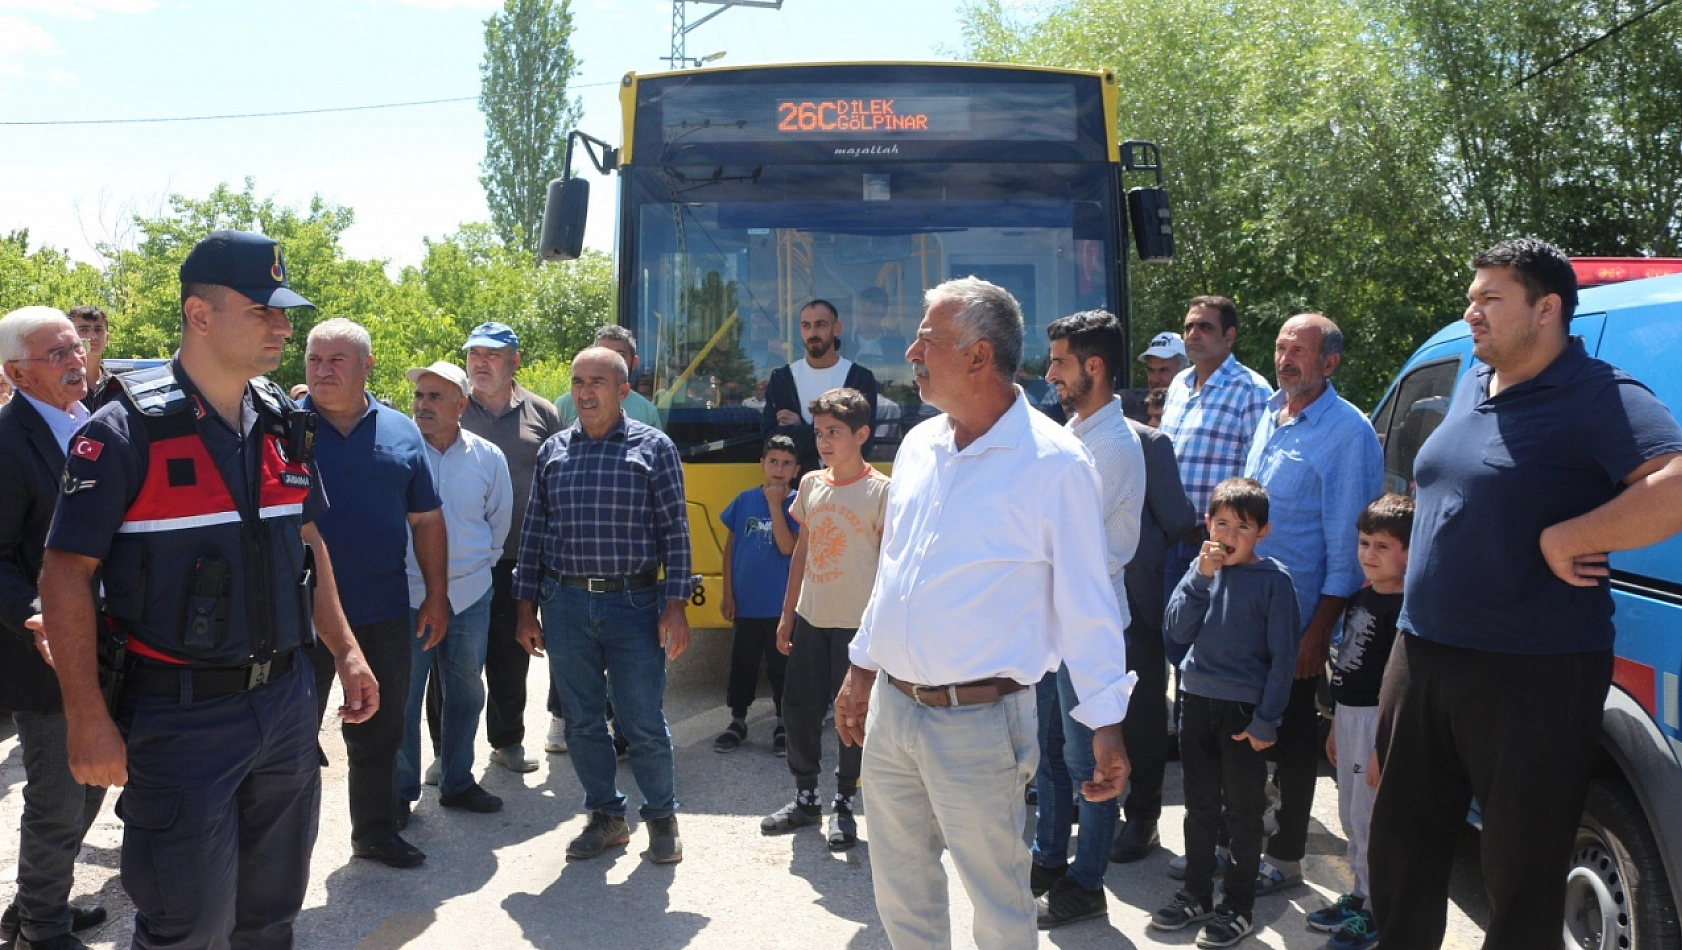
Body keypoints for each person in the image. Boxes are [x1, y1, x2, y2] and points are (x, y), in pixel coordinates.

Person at [38, 230, 378, 950]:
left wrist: (345, 650)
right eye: (263, 311)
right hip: (181, 716)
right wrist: (86, 717)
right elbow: (64, 573)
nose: (283, 326)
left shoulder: (285, 426)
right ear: (200, 314)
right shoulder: (122, 433)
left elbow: (308, 544)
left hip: (286, 706)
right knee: (186, 927)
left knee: (271, 916)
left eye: (284, 312)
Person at [1370, 238, 1682, 950]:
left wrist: (1569, 536)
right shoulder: (1478, 387)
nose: (1471, 312)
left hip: (1532, 671)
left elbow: (1676, 483)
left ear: (1546, 309)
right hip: (1425, 654)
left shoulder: (1599, 392)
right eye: (1471, 298)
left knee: (1520, 872)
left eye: (1490, 299)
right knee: (1401, 855)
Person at [832, 277, 1135, 950]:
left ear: (978, 357)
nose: (911, 350)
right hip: (893, 712)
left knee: (999, 904)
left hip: (980, 723)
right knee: (902, 895)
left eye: (928, 340)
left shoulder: (1054, 463)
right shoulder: (919, 446)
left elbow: (1087, 604)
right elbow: (895, 574)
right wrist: (860, 668)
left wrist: (1106, 724)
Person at [514, 345, 695, 864]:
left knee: (641, 719)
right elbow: (534, 533)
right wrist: (525, 607)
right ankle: (606, 816)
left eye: (597, 381)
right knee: (582, 721)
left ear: (623, 391)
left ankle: (661, 817)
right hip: (565, 602)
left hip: (635, 604)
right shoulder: (554, 451)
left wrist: (675, 603)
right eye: (577, 381)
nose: (585, 391)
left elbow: (674, 532)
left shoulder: (654, 448)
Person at [1243, 313, 1382, 897]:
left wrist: (1317, 630)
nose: (1285, 358)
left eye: (1298, 350)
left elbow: (1344, 546)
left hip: (1300, 618)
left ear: (1330, 363)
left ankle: (1288, 856)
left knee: (1297, 740)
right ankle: (1245, 839)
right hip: (1251, 609)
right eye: (1280, 347)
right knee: (1253, 733)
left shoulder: (1347, 433)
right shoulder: (1272, 415)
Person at [302, 317, 449, 869]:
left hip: (384, 608)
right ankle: (277, 849)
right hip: (299, 613)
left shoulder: (401, 431)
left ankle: (375, 831)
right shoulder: (283, 428)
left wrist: (436, 595)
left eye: (337, 360)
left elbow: (428, 520)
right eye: (315, 359)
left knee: (380, 730)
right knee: (289, 739)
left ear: (367, 366)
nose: (323, 370)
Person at [1030, 311, 1146, 927]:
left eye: (1059, 362)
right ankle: (1050, 858)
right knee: (1051, 754)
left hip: (1090, 631)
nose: (1049, 373)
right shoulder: (1076, 430)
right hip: (1058, 624)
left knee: (1090, 764)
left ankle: (1087, 881)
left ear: (1093, 368)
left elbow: (1075, 544)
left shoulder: (1112, 445)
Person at [1151, 477, 1300, 949]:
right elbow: (1176, 629)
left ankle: (1238, 904)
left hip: (1242, 713)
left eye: (1243, 526)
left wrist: (1266, 721)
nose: (1230, 535)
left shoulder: (1274, 581)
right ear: (1207, 526)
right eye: (1221, 523)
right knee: (1199, 808)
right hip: (1196, 701)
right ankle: (1197, 893)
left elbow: (1283, 659)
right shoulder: (1201, 572)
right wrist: (1199, 577)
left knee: (1243, 812)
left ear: (1263, 532)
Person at [0, 307, 107, 950]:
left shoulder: (87, 424)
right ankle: (42, 927)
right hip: (40, 651)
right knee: (59, 794)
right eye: (57, 354)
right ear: (17, 372)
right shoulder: (8, 444)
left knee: (93, 777)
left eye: (76, 348)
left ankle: (34, 904)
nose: (75, 360)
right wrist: (32, 613)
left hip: (105, 636)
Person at [760, 388, 889, 851]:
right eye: (818, 433)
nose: (824, 442)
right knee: (797, 710)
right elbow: (802, 554)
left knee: (850, 716)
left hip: (857, 628)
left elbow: (888, 567)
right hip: (812, 618)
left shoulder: (881, 492)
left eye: (834, 432)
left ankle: (843, 803)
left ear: (862, 434)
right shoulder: (812, 484)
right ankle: (806, 796)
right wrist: (787, 614)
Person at [396, 361, 512, 820]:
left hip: (469, 594)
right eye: (419, 396)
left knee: (465, 692)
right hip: (405, 595)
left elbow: (498, 525)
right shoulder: (397, 450)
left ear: (461, 405)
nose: (422, 405)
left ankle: (458, 782)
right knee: (403, 697)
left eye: (434, 397)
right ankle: (401, 792)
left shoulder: (488, 457)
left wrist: (471, 567)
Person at [1306, 493, 1412, 950]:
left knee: (1374, 821)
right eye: (1364, 542)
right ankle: (1362, 893)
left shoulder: (1408, 610)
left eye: (1383, 546)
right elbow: (1348, 667)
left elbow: (1398, 687)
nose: (1369, 554)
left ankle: (1378, 912)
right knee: (1352, 815)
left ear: (1411, 550)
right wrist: (1334, 722)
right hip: (1348, 719)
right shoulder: (1361, 597)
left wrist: (1380, 747)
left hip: (1376, 725)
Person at [458, 320, 565, 768]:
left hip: (519, 556)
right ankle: (449, 752)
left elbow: (558, 485)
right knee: (454, 661)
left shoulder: (542, 413)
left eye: (492, 355)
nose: (481, 363)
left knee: (510, 655)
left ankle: (507, 743)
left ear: (514, 361)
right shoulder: (451, 406)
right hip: (459, 558)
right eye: (474, 355)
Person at [1110, 403, 1198, 866]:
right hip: (1083, 596)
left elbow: (1179, 519)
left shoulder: (1149, 442)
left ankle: (1142, 815)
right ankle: (1109, 808)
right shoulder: (1065, 435)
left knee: (1140, 712)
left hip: (1136, 601)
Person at [714, 434, 800, 755]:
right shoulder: (743, 500)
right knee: (742, 664)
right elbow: (730, 548)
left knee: (781, 669)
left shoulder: (797, 503)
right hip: (747, 604)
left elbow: (787, 546)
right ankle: (737, 720)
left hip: (780, 608)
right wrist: (727, 594)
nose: (779, 469)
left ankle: (782, 723)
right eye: (773, 462)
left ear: (796, 469)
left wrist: (776, 504)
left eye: (786, 464)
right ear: (762, 464)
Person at [762, 299, 879, 473]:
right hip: (795, 490)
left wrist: (798, 428)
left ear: (836, 329)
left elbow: (862, 442)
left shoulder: (860, 379)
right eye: (806, 326)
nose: (813, 332)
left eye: (821, 325)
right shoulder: (782, 379)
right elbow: (771, 440)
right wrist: (834, 433)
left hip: (846, 487)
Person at [557, 325, 661, 429]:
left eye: (620, 355)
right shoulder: (564, 405)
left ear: (634, 362)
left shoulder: (647, 412)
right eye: (602, 355)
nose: (609, 362)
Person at [1124, 331, 1187, 423]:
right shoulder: (1131, 404)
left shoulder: (1194, 409)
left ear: (1184, 370)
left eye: (1163, 370)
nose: (1155, 379)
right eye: (1151, 370)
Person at [849, 286, 910, 370]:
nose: (868, 312)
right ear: (857, 310)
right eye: (864, 306)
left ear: (885, 311)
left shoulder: (900, 343)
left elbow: (908, 376)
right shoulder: (842, 342)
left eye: (875, 307)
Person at [66, 305, 110, 405]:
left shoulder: (117, 387)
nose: (92, 336)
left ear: (107, 338)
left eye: (98, 330)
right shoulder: (60, 387)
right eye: (84, 330)